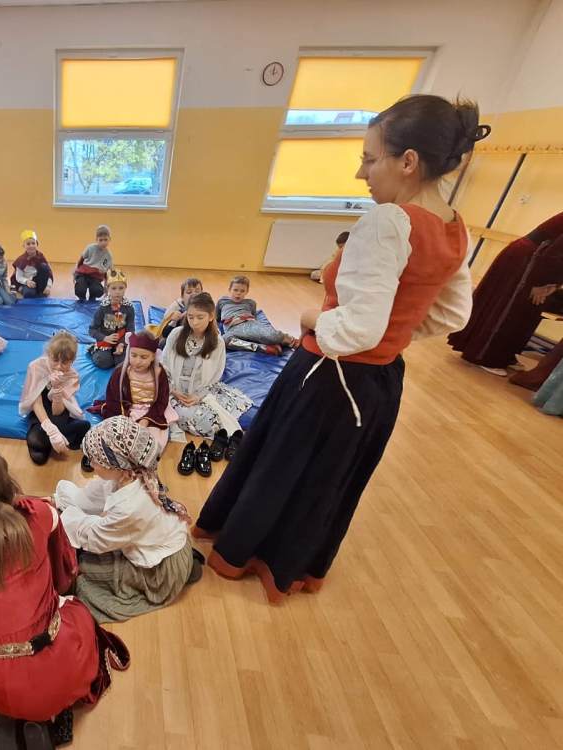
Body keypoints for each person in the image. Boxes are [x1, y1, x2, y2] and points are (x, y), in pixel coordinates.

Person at [194, 94, 482, 604]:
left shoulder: (388, 221)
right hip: (380, 381)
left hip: (330, 376)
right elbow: (452, 314)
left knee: (284, 464)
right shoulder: (454, 226)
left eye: (370, 159)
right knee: (326, 476)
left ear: (408, 161)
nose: (361, 173)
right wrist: (394, 334)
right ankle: (289, 560)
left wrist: (312, 320)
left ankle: (244, 552)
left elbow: (355, 330)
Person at [0, 444, 129, 727]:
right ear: (4, 482)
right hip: (50, 672)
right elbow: (62, 562)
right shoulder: (37, 516)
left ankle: (17, 709)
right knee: (78, 612)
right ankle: (47, 708)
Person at [55, 417, 200, 623]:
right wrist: (57, 500)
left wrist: (60, 517)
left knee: (81, 568)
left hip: (161, 569)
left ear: (118, 467)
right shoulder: (132, 473)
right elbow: (88, 497)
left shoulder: (131, 505)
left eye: (96, 460)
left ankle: (173, 576)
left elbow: (96, 539)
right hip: (161, 539)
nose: (91, 464)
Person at [449, 214, 563, 375]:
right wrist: (542, 283)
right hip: (531, 259)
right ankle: (485, 356)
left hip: (533, 258)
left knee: (525, 312)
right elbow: (553, 253)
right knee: (509, 310)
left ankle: (503, 355)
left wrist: (554, 284)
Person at [161, 292, 252, 477]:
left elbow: (216, 376)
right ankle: (221, 436)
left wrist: (198, 396)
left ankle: (226, 439)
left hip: (201, 392)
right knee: (182, 415)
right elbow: (164, 366)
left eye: (200, 317)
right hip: (173, 392)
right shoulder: (176, 335)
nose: (194, 322)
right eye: (190, 316)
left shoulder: (217, 342)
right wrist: (173, 390)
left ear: (211, 317)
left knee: (209, 416)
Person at [20, 331, 91, 467]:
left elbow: (57, 412)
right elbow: (36, 403)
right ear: (49, 354)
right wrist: (51, 430)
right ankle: (63, 435)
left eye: (65, 362)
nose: (59, 366)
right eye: (55, 360)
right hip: (40, 411)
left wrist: (57, 388)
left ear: (72, 361)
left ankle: (73, 430)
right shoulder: (36, 367)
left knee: (41, 442)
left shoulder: (72, 376)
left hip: (58, 412)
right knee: (38, 453)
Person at [101, 330, 177, 450]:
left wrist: (146, 420)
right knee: (120, 440)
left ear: (153, 356)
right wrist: (124, 420)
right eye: (134, 355)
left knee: (151, 444)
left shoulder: (159, 373)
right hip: (127, 411)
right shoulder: (120, 372)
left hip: (152, 412)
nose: (137, 361)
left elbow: (162, 400)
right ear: (128, 353)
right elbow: (113, 399)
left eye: (143, 357)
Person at [216, 275, 299, 355]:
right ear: (230, 289)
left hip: (249, 324)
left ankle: (292, 341)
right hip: (232, 329)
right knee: (224, 340)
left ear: (247, 292)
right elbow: (217, 317)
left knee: (271, 335)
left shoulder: (250, 303)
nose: (238, 293)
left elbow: (253, 317)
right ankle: (262, 348)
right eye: (235, 290)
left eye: (242, 291)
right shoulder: (223, 301)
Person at [88, 268, 136, 369]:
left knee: (123, 363)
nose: (117, 292)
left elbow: (130, 330)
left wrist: (122, 344)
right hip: (105, 340)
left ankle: (116, 356)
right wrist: (105, 338)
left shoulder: (129, 308)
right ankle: (94, 350)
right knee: (104, 362)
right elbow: (92, 330)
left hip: (121, 340)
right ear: (108, 289)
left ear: (125, 288)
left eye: (121, 288)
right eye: (114, 288)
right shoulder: (103, 308)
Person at [74, 225, 114, 302]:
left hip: (95, 277)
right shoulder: (90, 248)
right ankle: (82, 298)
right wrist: (76, 271)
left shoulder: (108, 256)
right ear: (96, 239)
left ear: (110, 239)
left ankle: (92, 298)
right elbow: (81, 258)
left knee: (97, 290)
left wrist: (106, 287)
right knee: (80, 289)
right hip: (83, 274)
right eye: (100, 240)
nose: (103, 242)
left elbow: (108, 273)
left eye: (105, 240)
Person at [158, 277, 203, 346]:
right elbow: (165, 334)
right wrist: (173, 321)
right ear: (182, 297)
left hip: (199, 343)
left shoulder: (206, 311)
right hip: (180, 343)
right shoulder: (179, 312)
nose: (193, 294)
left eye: (197, 291)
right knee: (163, 343)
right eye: (189, 292)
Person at [12, 230, 54, 298]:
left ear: (37, 244)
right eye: (28, 244)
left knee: (44, 267)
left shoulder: (41, 256)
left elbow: (48, 273)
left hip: (39, 280)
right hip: (28, 281)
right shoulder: (21, 260)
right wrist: (27, 281)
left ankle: (40, 290)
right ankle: (23, 289)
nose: (31, 246)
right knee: (29, 294)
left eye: (33, 243)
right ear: (24, 246)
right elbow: (18, 277)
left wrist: (48, 286)